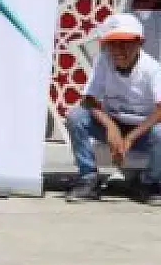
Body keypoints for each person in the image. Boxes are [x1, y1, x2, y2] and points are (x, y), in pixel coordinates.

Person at [65, 13, 161, 204]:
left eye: (125, 43)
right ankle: (88, 178)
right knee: (76, 116)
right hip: (113, 122)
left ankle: (149, 183)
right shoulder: (103, 60)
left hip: (143, 130)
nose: (118, 50)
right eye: (113, 43)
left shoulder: (152, 68)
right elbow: (89, 99)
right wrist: (111, 127)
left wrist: (129, 138)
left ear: (139, 43)